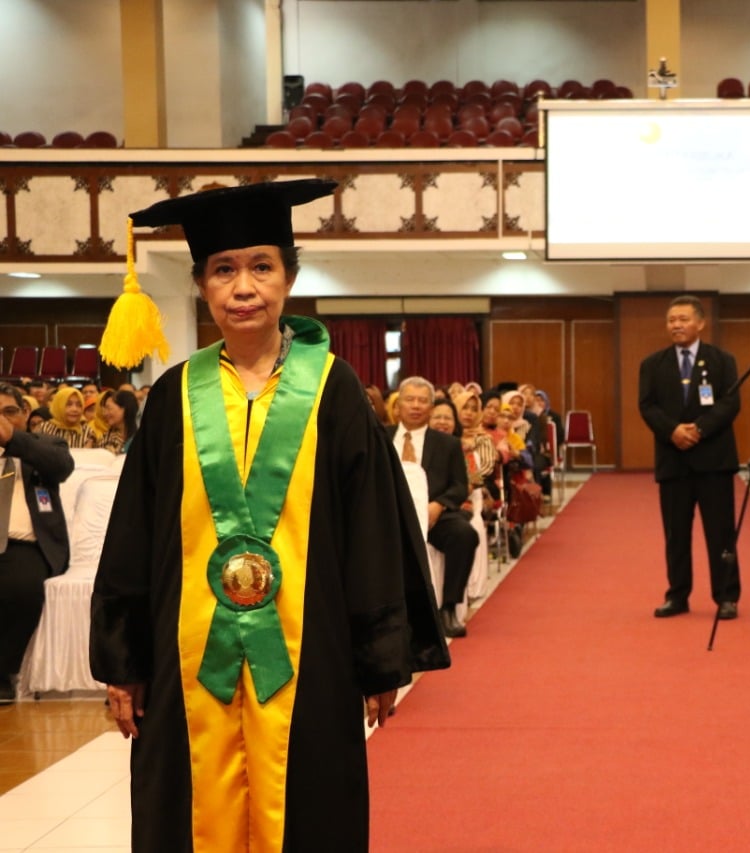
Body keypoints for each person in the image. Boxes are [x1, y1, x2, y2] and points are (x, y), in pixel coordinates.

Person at [89, 180, 449, 852]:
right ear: (201, 284)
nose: (243, 286)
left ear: (289, 276)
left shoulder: (333, 390)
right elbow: (135, 533)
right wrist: (124, 658)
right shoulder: (173, 397)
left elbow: (372, 531)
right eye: (224, 269)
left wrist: (379, 660)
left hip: (310, 656)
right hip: (186, 658)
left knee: (309, 804)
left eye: (261, 266)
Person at [638, 295, 742, 620]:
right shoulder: (653, 364)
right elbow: (647, 405)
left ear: (700, 323)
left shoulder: (722, 360)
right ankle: (677, 595)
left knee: (721, 533)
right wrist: (673, 431)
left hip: (714, 461)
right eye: (671, 320)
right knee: (676, 535)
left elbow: (730, 403)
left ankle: (727, 597)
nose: (676, 325)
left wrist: (697, 429)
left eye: (683, 319)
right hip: (673, 462)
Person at [0, 383, 72, 704]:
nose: (1, 420)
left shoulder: (44, 444)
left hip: (24, 546)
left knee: (21, 589)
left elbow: (62, 467)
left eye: (8, 412)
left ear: (25, 413)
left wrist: (13, 441)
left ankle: (2, 674)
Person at [392, 376, 479, 639]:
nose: (416, 406)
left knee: (464, 535)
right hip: (390, 516)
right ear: (398, 405)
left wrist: (438, 506)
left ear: (431, 407)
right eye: (410, 399)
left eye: (422, 401)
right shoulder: (379, 437)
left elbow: (459, 486)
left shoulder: (447, 444)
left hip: (433, 516)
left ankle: (448, 609)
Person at [98, 389, 139, 454]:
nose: (105, 413)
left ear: (124, 409)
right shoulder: (106, 438)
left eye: (109, 408)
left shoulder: (141, 437)